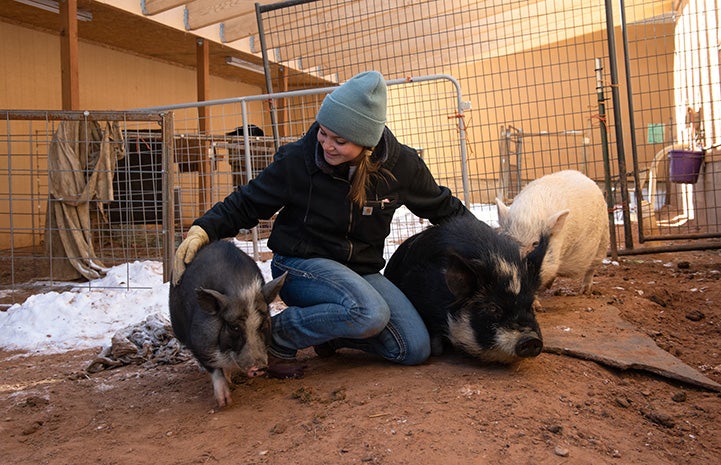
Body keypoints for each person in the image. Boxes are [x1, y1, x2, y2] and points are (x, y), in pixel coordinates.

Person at [172, 70, 471, 372]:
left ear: (367, 142)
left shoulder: (401, 167)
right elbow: (248, 201)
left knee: (414, 348)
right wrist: (204, 229)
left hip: (359, 271)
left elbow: (443, 207)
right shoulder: (298, 159)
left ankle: (332, 334)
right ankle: (277, 335)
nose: (326, 145)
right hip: (301, 264)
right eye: (323, 132)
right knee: (369, 312)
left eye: (339, 140)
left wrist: (494, 244)